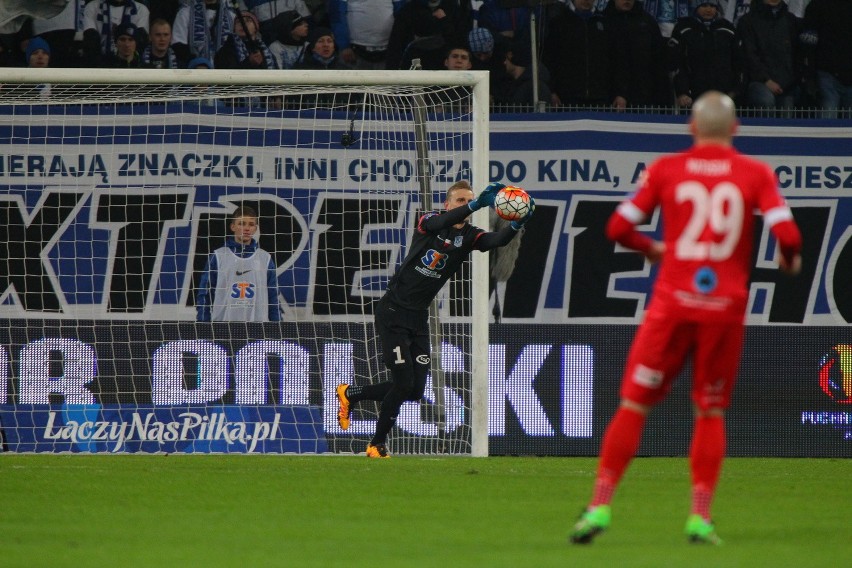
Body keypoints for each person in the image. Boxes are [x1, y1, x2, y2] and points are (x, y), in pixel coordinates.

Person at [569, 91, 802, 545]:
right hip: (725, 307)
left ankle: (599, 506)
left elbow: (617, 227)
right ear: (736, 129)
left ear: (691, 128)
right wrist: (789, 259)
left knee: (635, 404)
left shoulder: (666, 169)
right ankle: (699, 516)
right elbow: (788, 234)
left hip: (673, 302)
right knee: (709, 410)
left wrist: (654, 249)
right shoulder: (756, 173)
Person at [335, 180, 535, 458]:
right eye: (460, 201)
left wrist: (517, 222)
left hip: (417, 318)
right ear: (448, 204)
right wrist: (476, 205)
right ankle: (376, 444)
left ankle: (351, 394)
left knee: (415, 390)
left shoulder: (469, 235)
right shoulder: (430, 221)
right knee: (403, 383)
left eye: (470, 201)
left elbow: (496, 241)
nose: (465, 206)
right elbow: (438, 223)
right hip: (392, 312)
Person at [196, 206, 282, 322]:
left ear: (255, 229)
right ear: (233, 227)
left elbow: (273, 298)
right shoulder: (218, 256)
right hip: (223, 327)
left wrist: (277, 326)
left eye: (251, 225)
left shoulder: (265, 258)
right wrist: (203, 324)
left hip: (258, 329)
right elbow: (205, 294)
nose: (246, 228)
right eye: (242, 223)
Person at [668, 0, 741, 109]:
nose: (708, 9)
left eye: (712, 6)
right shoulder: (683, 29)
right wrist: (682, 92)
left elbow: (738, 64)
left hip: (724, 96)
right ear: (695, 7)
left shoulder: (728, 29)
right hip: (692, 97)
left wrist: (734, 92)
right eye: (704, 5)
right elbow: (677, 64)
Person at [736, 0, 804, 111]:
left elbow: (797, 53)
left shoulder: (790, 20)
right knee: (765, 101)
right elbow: (749, 55)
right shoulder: (748, 21)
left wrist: (792, 80)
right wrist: (765, 80)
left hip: (788, 85)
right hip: (758, 82)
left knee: (787, 122)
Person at [604, 0, 673, 109]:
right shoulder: (603, 21)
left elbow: (659, 61)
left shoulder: (647, 22)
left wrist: (663, 98)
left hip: (645, 97)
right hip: (608, 96)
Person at [543, 0, 611, 108]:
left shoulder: (605, 23)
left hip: (600, 98)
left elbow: (614, 60)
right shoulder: (558, 23)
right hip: (566, 98)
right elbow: (550, 60)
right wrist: (552, 90)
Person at [801, 0, 852, 118]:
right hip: (826, 75)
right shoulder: (817, 5)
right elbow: (808, 43)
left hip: (842, 75)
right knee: (827, 125)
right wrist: (810, 74)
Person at [328, 0, 402, 70]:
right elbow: (336, 13)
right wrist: (344, 46)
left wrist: (398, 45)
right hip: (354, 52)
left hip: (388, 51)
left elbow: (401, 11)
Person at [82, 0, 149, 62]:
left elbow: (139, 42)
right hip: (100, 61)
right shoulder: (93, 7)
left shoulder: (140, 9)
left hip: (129, 62)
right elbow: (90, 39)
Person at [172, 0, 236, 63]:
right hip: (195, 68)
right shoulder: (185, 13)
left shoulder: (232, 17)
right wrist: (196, 63)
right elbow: (178, 43)